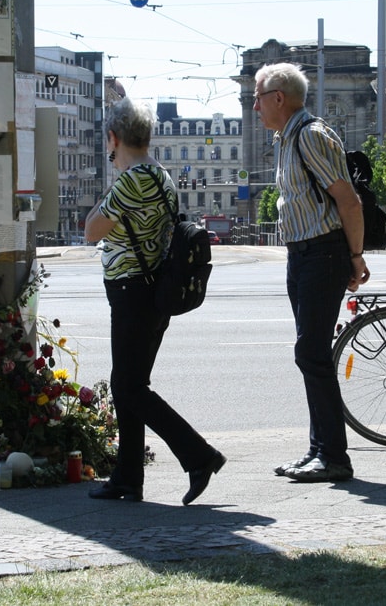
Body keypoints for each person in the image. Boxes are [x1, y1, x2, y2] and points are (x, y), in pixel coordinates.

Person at [83, 97, 225, 505]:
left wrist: (114, 183)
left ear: (113, 138)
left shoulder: (132, 181)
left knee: (128, 387)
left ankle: (199, 456)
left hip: (133, 292)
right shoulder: (160, 174)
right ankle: (128, 477)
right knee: (129, 383)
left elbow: (93, 229)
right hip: (151, 290)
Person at [253, 63, 370, 483]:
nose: (254, 106)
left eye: (258, 97)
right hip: (302, 255)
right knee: (311, 355)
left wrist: (355, 257)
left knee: (312, 353)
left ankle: (335, 457)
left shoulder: (310, 136)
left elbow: (349, 202)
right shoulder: (285, 138)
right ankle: (319, 450)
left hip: (323, 254)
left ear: (279, 98)